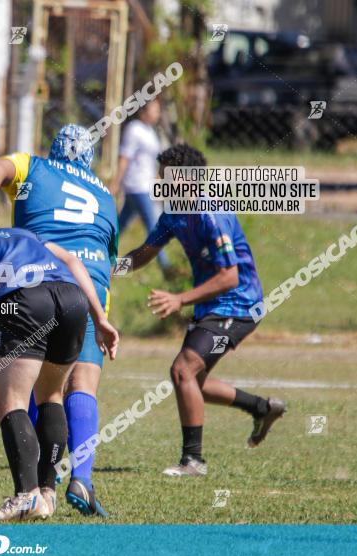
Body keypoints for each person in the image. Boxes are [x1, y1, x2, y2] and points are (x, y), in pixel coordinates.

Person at [0, 204, 118, 522]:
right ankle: (45, 493)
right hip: (72, 299)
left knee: (11, 402)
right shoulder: (23, 233)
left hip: (23, 300)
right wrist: (101, 317)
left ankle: (25, 496)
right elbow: (70, 260)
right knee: (51, 395)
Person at [0, 123, 118, 517]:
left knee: (33, 384)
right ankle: (82, 479)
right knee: (82, 382)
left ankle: (37, 488)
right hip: (91, 285)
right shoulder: (104, 193)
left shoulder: (35, 167)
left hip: (38, 276)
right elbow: (108, 247)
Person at [120, 144, 286, 477]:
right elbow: (143, 253)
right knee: (191, 379)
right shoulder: (173, 214)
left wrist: (180, 299)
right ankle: (261, 408)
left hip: (238, 304)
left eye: (165, 176)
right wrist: (104, 268)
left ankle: (193, 461)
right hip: (215, 306)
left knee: (183, 371)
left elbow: (229, 276)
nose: (159, 182)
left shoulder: (212, 214)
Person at [109, 100, 172, 274]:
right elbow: (124, 158)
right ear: (143, 111)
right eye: (155, 110)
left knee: (120, 226)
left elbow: (151, 163)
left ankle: (104, 257)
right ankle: (167, 269)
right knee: (155, 229)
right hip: (136, 186)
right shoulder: (134, 129)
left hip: (145, 186)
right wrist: (115, 183)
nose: (158, 114)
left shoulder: (151, 132)